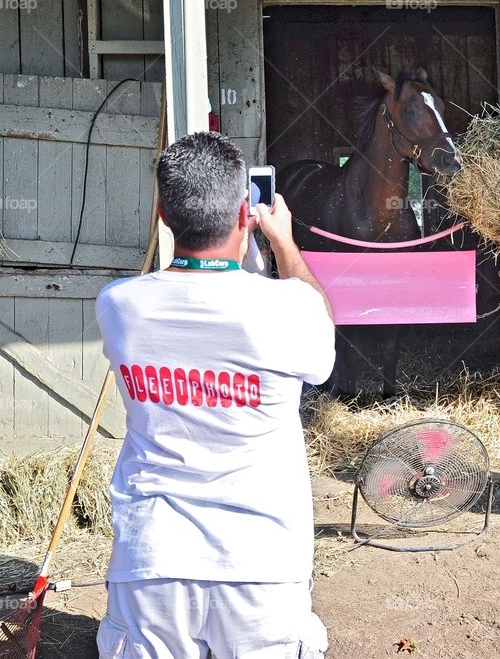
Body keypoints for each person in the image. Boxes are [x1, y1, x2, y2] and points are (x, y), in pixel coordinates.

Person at [94, 131, 335, 659]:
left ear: (162, 212)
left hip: (151, 561)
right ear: (246, 208)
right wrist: (282, 243)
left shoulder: (119, 306)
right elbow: (320, 333)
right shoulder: (287, 310)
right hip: (262, 566)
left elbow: (201, 296)